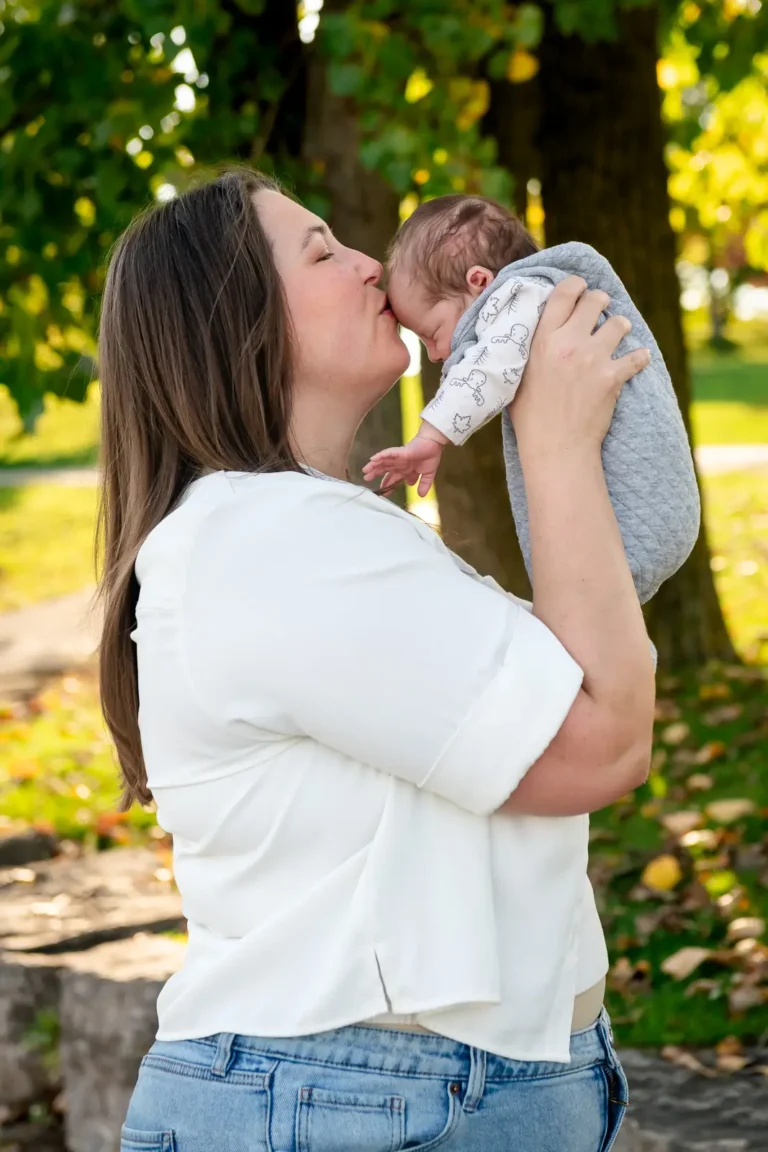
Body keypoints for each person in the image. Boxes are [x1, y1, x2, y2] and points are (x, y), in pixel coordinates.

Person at [98, 168, 655, 1152]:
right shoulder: (276, 542)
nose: (370, 266)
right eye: (321, 250)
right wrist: (555, 439)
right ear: (234, 323)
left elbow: (576, 679)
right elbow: (601, 745)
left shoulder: (299, 535)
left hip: (386, 1094)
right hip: (368, 1099)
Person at [364, 195, 700, 607]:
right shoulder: (537, 298)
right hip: (653, 528)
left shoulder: (521, 295)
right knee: (600, 602)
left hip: (640, 512)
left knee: (593, 597)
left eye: (432, 333)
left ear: (479, 283)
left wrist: (431, 436)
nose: (435, 354)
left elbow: (489, 368)